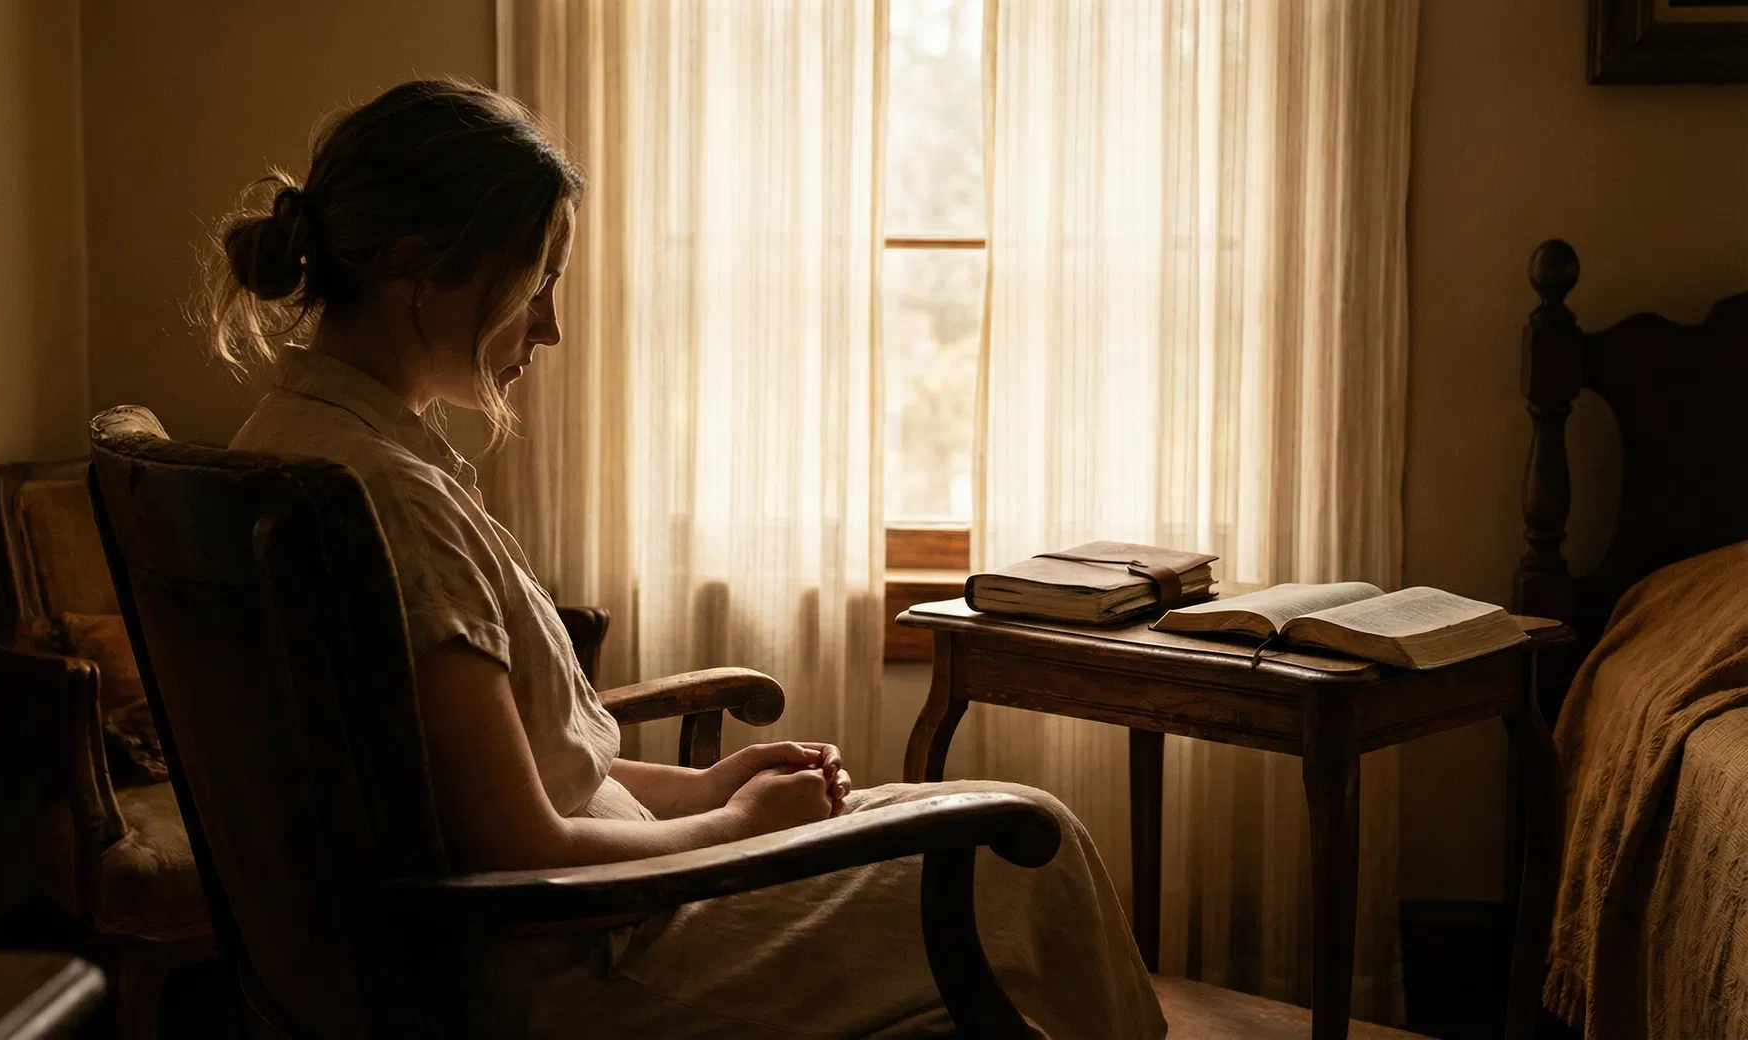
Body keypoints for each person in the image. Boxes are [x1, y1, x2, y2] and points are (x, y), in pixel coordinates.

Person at [206, 77, 1164, 1038]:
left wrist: (707, 788)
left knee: (980, 822)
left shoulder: (290, 447)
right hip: (584, 960)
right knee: (1021, 850)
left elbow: (497, 783)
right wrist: (739, 829)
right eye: (536, 283)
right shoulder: (388, 500)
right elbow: (519, 846)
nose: (551, 326)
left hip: (581, 914)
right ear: (419, 265)